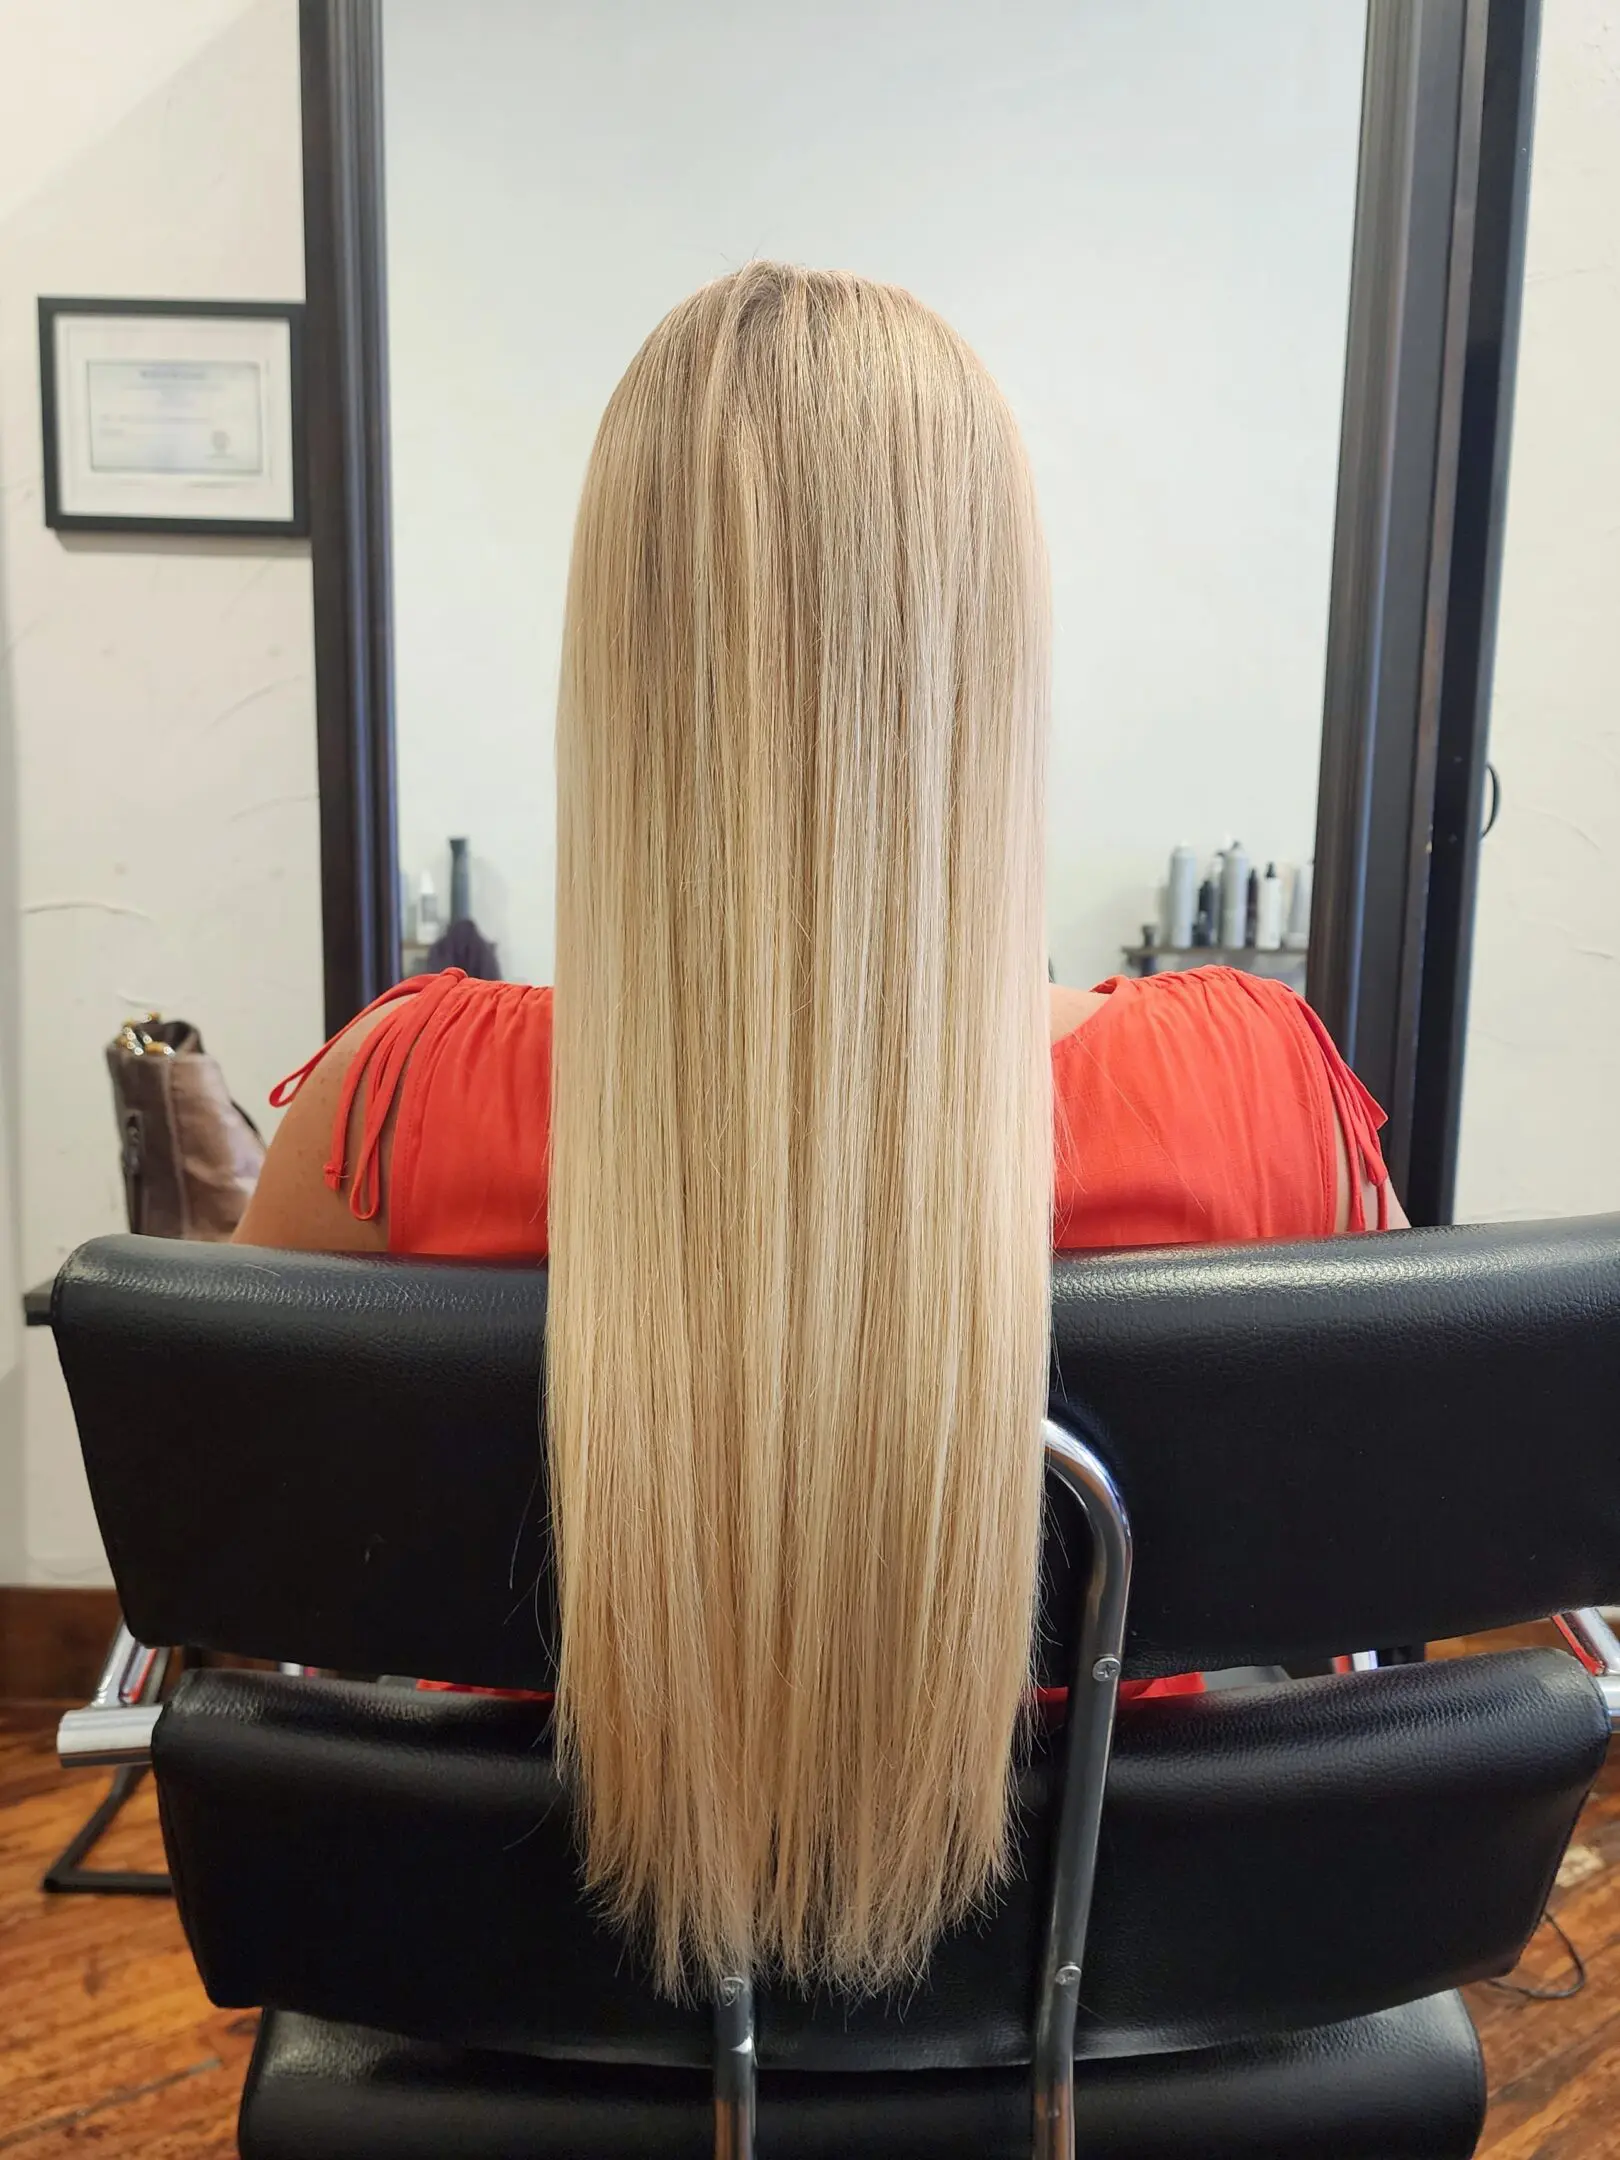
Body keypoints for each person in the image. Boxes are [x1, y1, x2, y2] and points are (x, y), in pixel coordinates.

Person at [239, 263, 1404, 1996]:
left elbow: (262, 1582)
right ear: (993, 646)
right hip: (1105, 1992)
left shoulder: (389, 1116)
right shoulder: (1254, 1088)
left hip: (543, 1993)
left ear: (618, 660)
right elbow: (1388, 1526)